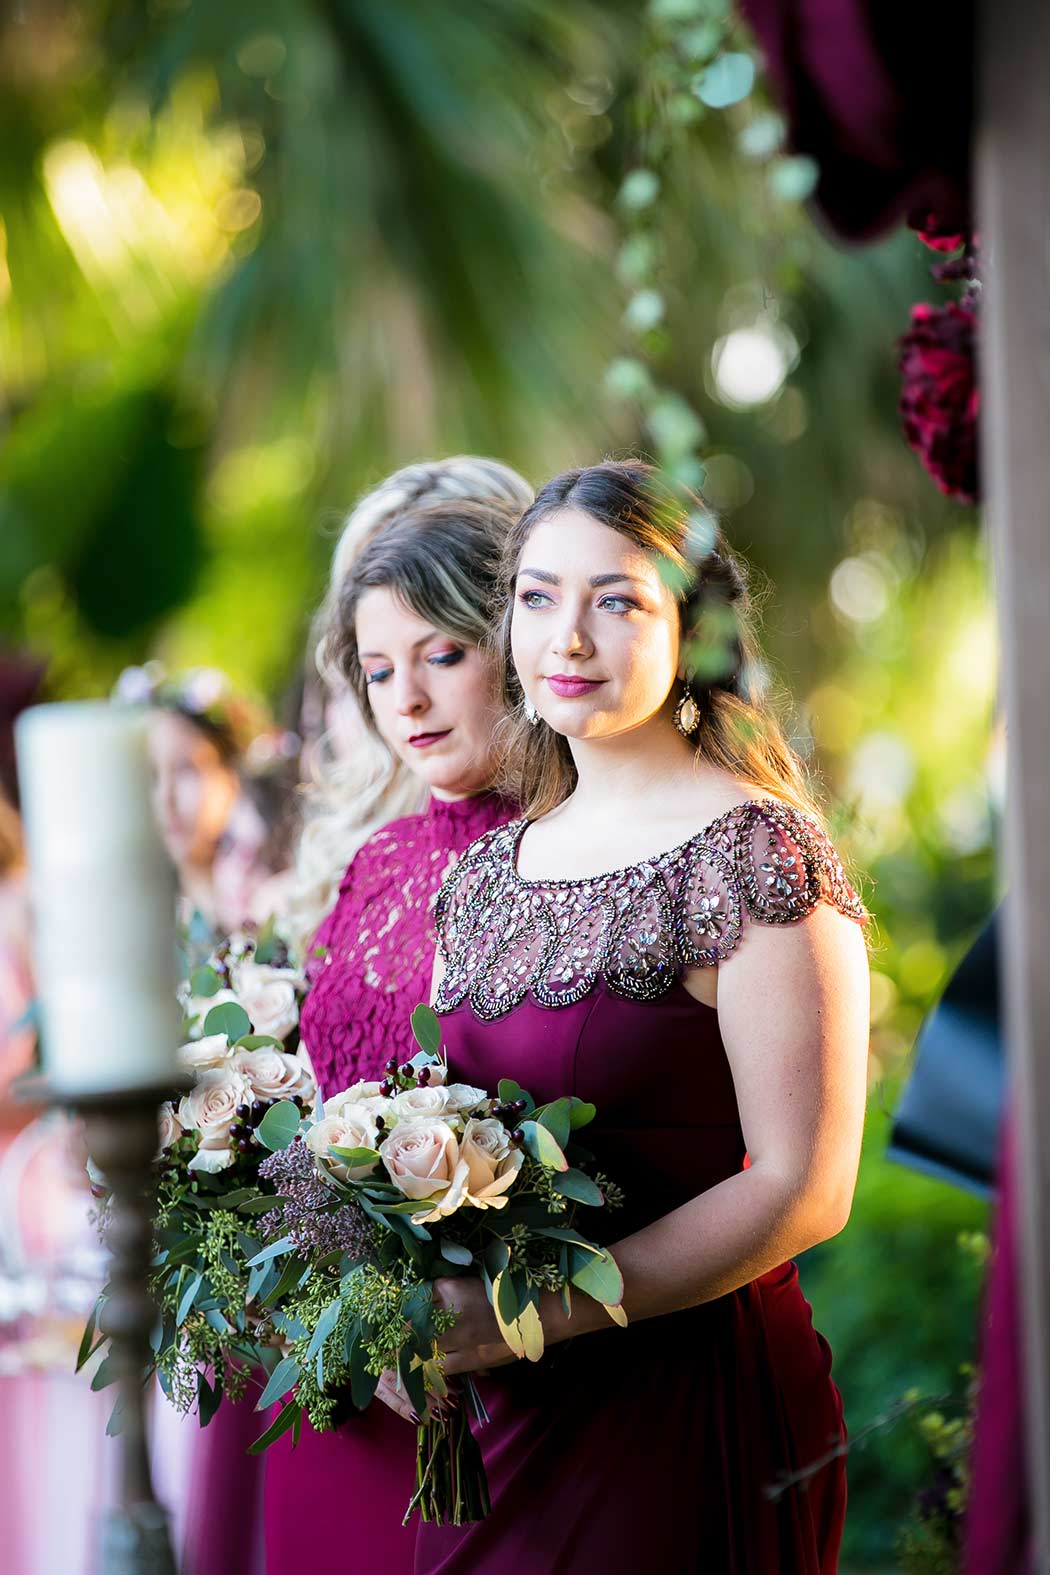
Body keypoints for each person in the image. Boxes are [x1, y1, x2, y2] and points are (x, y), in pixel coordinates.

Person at [399, 460, 871, 1575]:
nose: (567, 638)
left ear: (694, 632)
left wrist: (534, 1314)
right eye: (538, 597)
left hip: (685, 1408)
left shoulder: (756, 851)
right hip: (498, 1423)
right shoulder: (481, 877)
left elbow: (805, 1186)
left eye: (617, 601)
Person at [188, 457, 532, 1575]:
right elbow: (329, 1097)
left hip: (512, 1369)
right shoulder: (371, 862)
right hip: (344, 1371)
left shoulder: (567, 855)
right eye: (379, 668)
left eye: (442, 651)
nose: (407, 697)